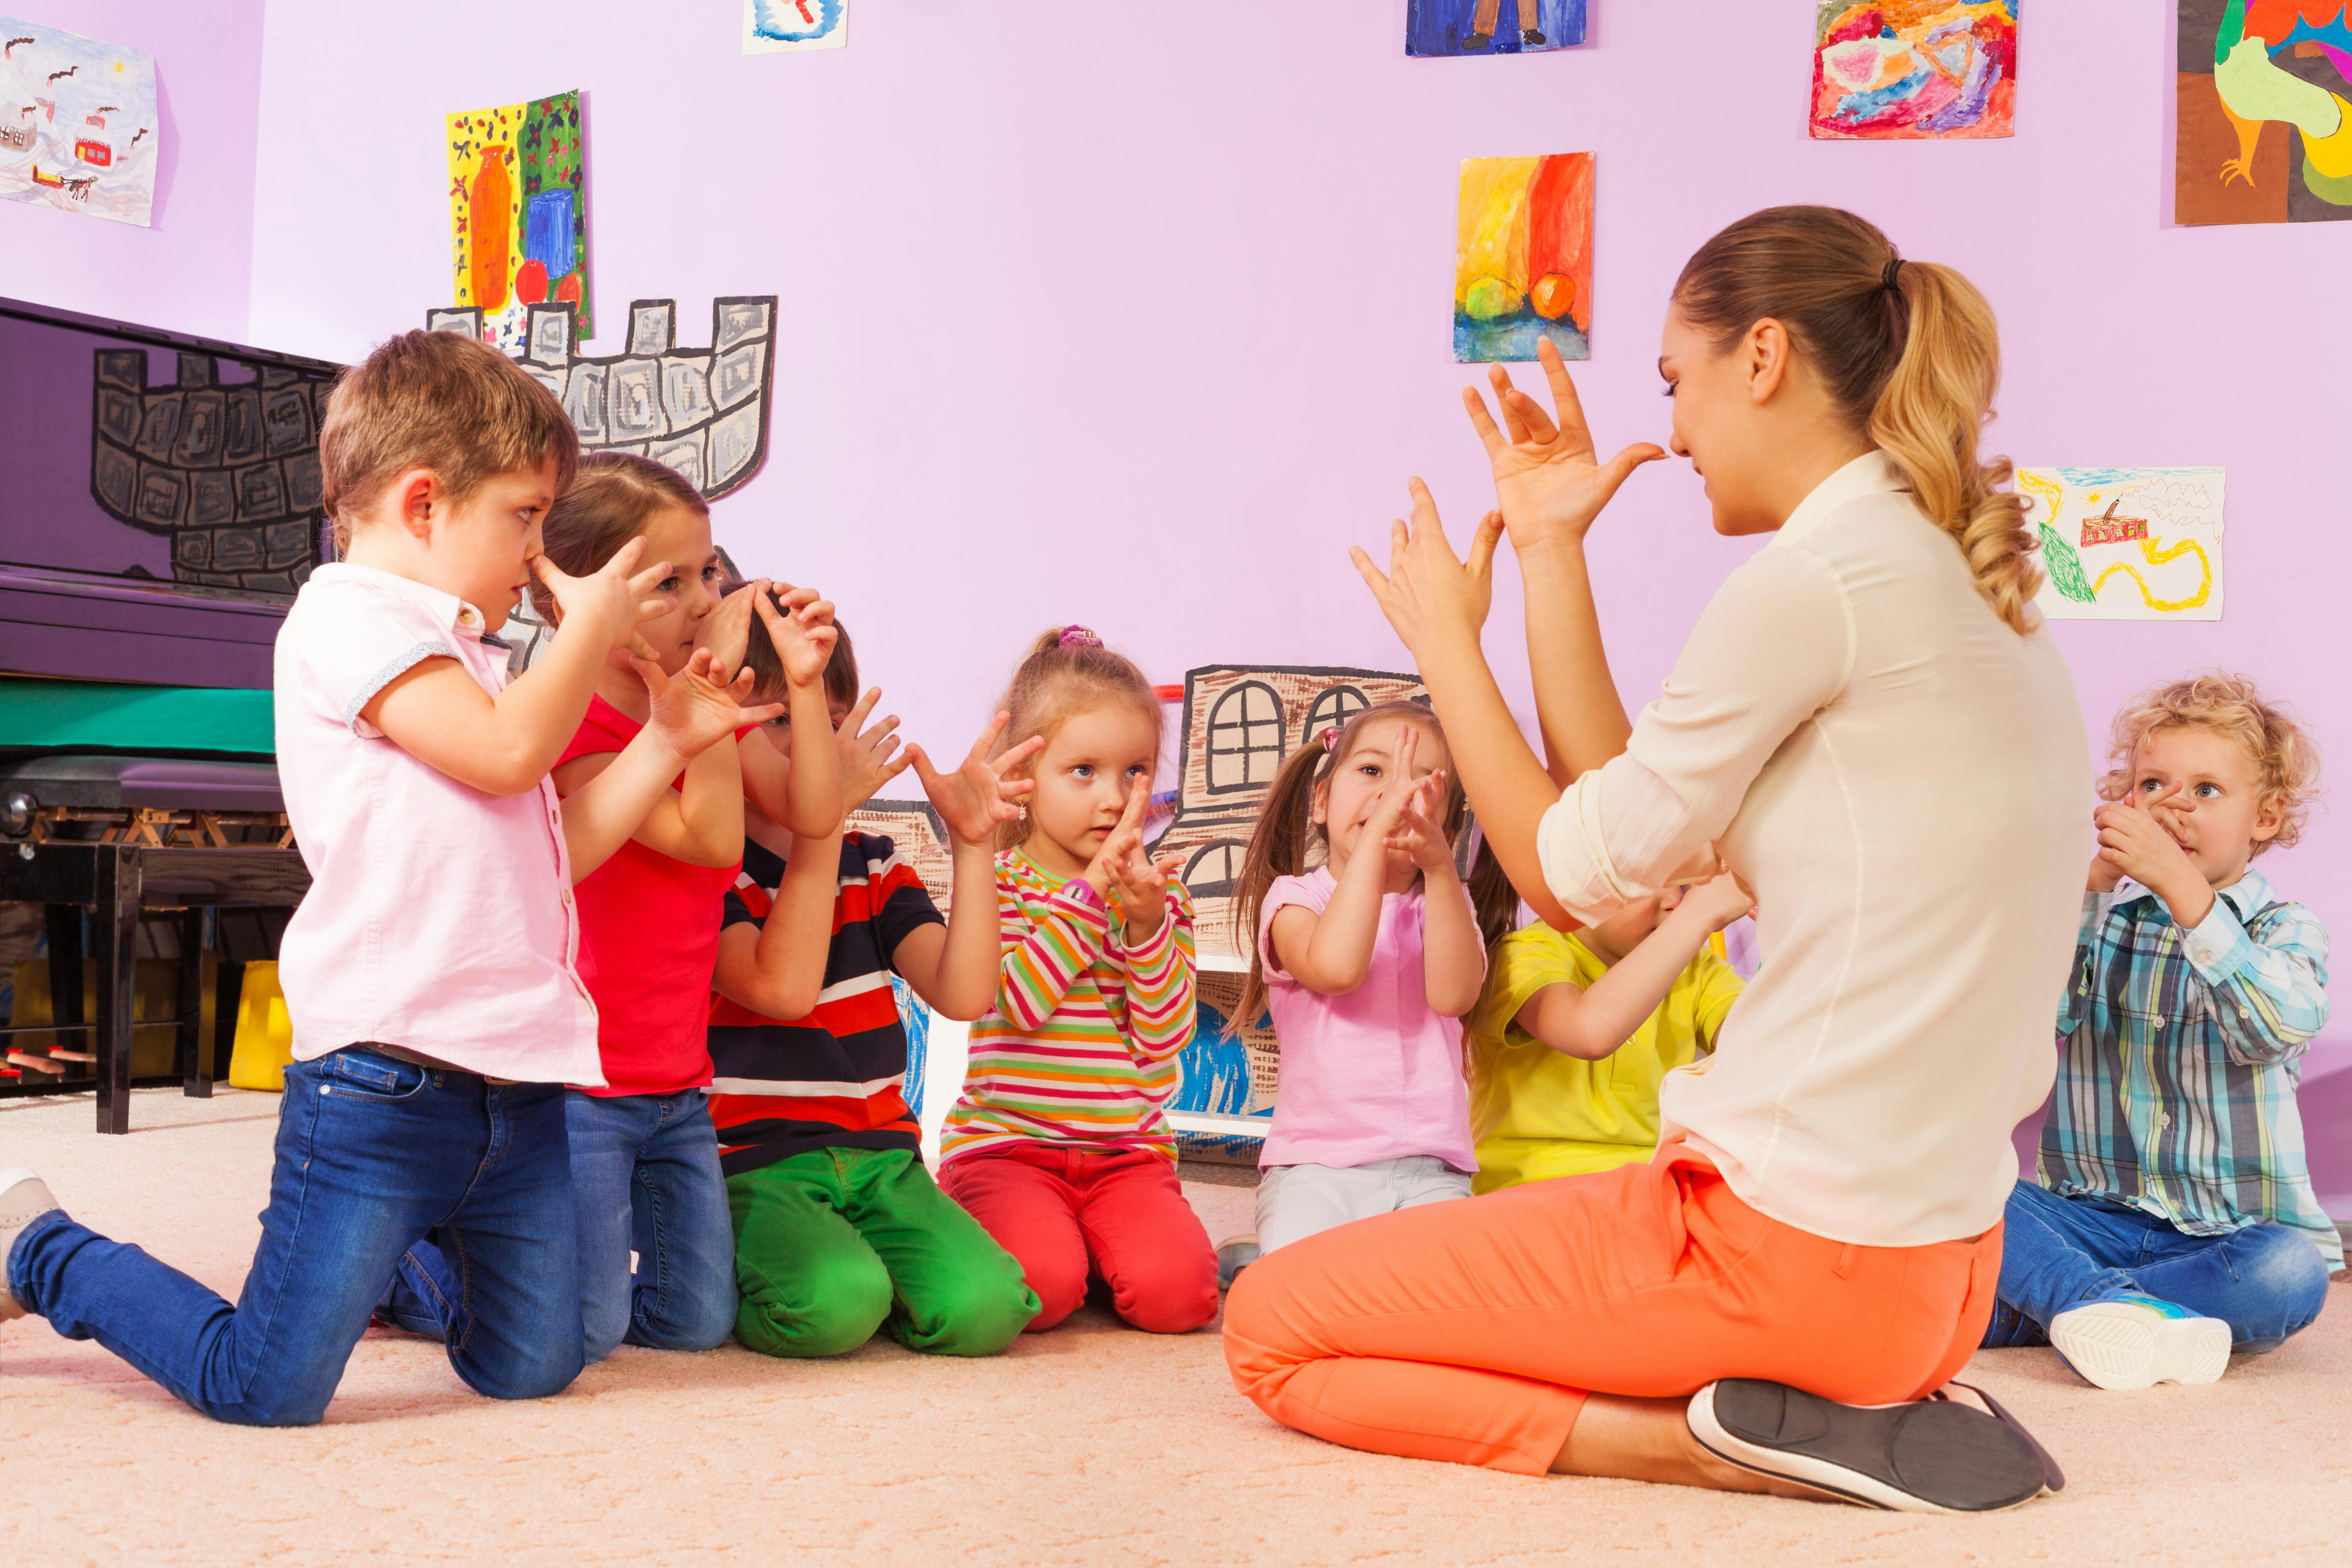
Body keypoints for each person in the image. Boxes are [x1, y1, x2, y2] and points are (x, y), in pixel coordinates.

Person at [1225, 206, 2086, 1513]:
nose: (1673, 432)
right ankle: (1791, 1407)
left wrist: (1447, 643)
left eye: (1676, 384)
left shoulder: (1823, 580)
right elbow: (1636, 830)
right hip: (1932, 1279)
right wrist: (1553, 548)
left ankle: (1702, 1439)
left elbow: (1574, 880)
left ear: (1764, 358)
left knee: (1277, 1325)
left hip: (1783, 1259)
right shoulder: (1959, 586)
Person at [0, 331, 766, 1424]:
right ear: (421, 507)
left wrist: (663, 744)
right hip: (381, 1085)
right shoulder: (347, 619)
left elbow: (556, 846)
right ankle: (44, 1249)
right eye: (525, 515)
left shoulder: (472, 655)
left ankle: (398, 1262)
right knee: (262, 1388)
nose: (539, 551)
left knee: (536, 1363)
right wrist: (588, 642)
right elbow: (508, 755)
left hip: (520, 1088)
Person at [376, 453, 831, 1366]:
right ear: (571, 604)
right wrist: (707, 699)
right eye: (668, 583)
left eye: (710, 571)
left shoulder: (703, 710)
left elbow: (814, 813)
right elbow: (710, 840)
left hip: (674, 1080)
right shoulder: (573, 725)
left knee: (693, 1322)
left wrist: (807, 683)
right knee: (586, 1330)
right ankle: (409, 1268)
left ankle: (534, 1260)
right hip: (579, 1085)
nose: (706, 600)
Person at [1983, 672, 2333, 1387]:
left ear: (2264, 817)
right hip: (2087, 1214)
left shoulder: (2281, 928)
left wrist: (2184, 891)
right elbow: (2021, 1018)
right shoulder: (2101, 918)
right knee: (1961, 1179)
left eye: (2206, 790)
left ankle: (2061, 1302)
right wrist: (2088, 886)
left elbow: (2273, 1028)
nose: (2174, 804)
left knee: (2291, 1273)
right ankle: (2096, 1304)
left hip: (2226, 1235)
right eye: (2152, 785)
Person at [706, 616, 1041, 1358]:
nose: (809, 748)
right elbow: (775, 989)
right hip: (757, 1163)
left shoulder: (876, 863)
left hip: (883, 1156)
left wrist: (974, 843)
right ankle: (719, 1275)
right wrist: (822, 825)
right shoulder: (707, 869)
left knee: (986, 1309)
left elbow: (963, 994)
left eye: (826, 723)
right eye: (776, 721)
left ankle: (869, 1266)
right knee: (832, 1308)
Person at [934, 627, 1219, 1334]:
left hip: (1126, 1154)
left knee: (1180, 1301)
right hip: (1008, 1147)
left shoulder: (1157, 895)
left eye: (1134, 771)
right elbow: (1021, 1003)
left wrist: (1147, 926)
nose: (1113, 797)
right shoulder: (996, 883)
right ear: (1025, 781)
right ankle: (1042, 1235)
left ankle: (1096, 1240)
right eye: (1084, 771)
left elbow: (1161, 1039)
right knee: (1042, 1291)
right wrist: (1092, 894)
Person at [1213, 702, 1506, 1287]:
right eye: (1373, 772)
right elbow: (1336, 968)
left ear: (1446, 831)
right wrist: (1377, 842)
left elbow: (1454, 995)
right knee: (1305, 1297)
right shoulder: (1295, 900)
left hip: (1433, 1172)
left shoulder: (1444, 906)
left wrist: (1443, 871)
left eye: (1421, 783)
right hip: (1317, 1170)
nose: (1395, 794)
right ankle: (1266, 1259)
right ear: (1321, 801)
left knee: (1451, 1302)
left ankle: (1265, 1259)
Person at [1466, 877, 1749, 1194]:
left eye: (1683, 882)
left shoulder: (1696, 968)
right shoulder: (1525, 954)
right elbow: (1588, 1032)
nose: (1675, 901)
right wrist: (1700, 913)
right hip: (1534, 1191)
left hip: (1656, 1187)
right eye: (1650, 878)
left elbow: (1766, 1044)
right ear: (1580, 879)